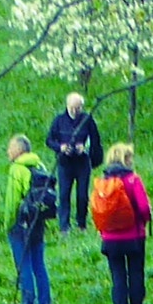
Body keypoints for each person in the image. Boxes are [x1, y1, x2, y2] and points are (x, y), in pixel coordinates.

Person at [90, 146, 150, 304]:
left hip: (110, 238)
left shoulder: (103, 182)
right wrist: (144, 220)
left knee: (117, 274)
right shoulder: (132, 180)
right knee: (136, 271)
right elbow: (144, 207)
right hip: (134, 235)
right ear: (126, 159)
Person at [3, 134, 59, 304]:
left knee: (24, 265)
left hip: (21, 223)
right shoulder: (39, 165)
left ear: (19, 150)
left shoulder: (17, 169)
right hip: (38, 222)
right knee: (39, 264)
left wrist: (8, 224)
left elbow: (12, 200)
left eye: (10, 147)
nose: (8, 151)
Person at [46, 91, 105, 242]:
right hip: (64, 163)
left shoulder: (87, 120)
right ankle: (64, 226)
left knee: (82, 195)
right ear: (67, 106)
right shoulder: (59, 120)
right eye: (72, 108)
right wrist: (61, 147)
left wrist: (85, 148)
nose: (74, 111)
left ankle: (81, 224)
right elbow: (49, 140)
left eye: (78, 108)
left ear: (82, 107)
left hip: (82, 163)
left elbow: (96, 140)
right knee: (64, 194)